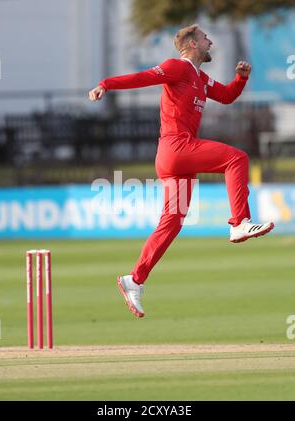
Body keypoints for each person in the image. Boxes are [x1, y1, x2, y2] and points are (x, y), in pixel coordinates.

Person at [89, 24, 274, 318]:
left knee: (172, 222)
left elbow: (226, 96)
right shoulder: (177, 67)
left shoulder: (200, 77)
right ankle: (239, 222)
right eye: (205, 38)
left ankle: (134, 279)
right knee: (236, 159)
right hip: (177, 148)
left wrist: (241, 78)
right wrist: (106, 84)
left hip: (175, 158)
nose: (210, 42)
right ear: (190, 44)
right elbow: (142, 78)